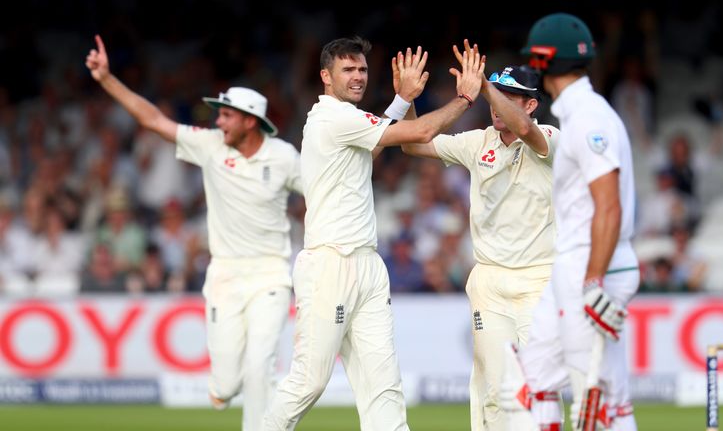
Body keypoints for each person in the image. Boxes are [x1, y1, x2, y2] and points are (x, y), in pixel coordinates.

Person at [261, 36, 484, 431]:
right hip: (331, 263)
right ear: (325, 77)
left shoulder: (349, 124)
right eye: (348, 70)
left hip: (365, 263)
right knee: (308, 381)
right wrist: (465, 99)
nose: (358, 77)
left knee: (384, 388)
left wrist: (400, 100)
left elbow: (373, 147)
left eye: (362, 69)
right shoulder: (332, 117)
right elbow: (418, 133)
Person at [86, 35, 302, 431]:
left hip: (271, 273)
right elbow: (152, 120)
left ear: (249, 121)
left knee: (260, 367)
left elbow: (321, 193)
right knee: (226, 383)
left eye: (226, 116)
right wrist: (106, 79)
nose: (217, 122)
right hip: (224, 275)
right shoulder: (209, 146)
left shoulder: (285, 156)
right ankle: (222, 386)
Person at [401, 51, 559, 431]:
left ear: (532, 103)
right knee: (493, 388)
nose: (496, 104)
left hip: (539, 280)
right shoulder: (477, 142)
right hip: (489, 281)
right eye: (495, 94)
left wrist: (485, 87)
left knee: (537, 386)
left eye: (509, 95)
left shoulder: (549, 138)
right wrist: (405, 99)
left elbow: (525, 130)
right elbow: (412, 145)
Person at [499, 13, 639, 431]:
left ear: (542, 62)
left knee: (601, 399)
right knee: (528, 382)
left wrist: (594, 282)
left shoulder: (591, 119)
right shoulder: (579, 115)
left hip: (592, 266)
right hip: (575, 263)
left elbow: (608, 206)